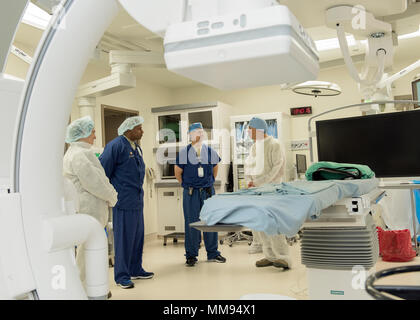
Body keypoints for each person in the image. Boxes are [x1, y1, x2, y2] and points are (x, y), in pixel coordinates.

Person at [63, 116, 118, 294]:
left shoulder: (82, 153)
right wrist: (112, 195)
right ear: (83, 133)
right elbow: (94, 182)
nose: (95, 136)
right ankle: (83, 290)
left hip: (90, 211)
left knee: (91, 252)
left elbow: (99, 178)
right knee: (86, 254)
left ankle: (94, 286)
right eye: (93, 132)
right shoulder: (79, 155)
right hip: (89, 211)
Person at [99, 116, 154, 289]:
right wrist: (109, 195)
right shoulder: (115, 146)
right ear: (128, 130)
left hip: (136, 200)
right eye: (139, 128)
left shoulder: (136, 147)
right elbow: (103, 173)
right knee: (124, 239)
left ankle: (135, 269)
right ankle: (122, 276)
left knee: (137, 237)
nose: (142, 131)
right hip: (123, 200)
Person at [174, 123, 226, 267]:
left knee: (211, 222)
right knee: (192, 223)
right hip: (191, 192)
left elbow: (215, 167)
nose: (200, 134)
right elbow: (177, 172)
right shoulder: (184, 153)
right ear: (190, 135)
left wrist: (208, 182)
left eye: (202, 132)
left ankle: (213, 253)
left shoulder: (210, 151)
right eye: (197, 132)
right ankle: (191, 255)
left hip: (208, 191)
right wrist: (188, 185)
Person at [244, 117, 291, 270]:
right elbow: (250, 165)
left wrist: (259, 182)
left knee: (274, 226)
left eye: (250, 130)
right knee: (261, 226)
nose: (248, 133)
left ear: (259, 129)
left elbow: (276, 169)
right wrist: (250, 180)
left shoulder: (274, 144)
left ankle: (284, 258)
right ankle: (270, 256)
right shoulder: (254, 147)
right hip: (257, 191)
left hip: (272, 190)